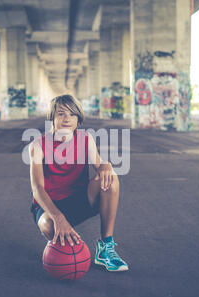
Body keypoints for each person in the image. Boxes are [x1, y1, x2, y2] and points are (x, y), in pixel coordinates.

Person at [28, 94, 128, 272]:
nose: (67, 119)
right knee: (49, 227)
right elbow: (37, 189)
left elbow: (101, 167)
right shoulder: (38, 145)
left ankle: (105, 247)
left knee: (111, 178)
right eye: (61, 114)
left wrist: (106, 165)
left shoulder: (85, 139)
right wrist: (59, 218)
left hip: (78, 199)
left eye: (72, 114)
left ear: (78, 119)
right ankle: (61, 235)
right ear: (52, 117)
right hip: (49, 205)